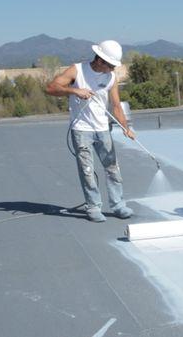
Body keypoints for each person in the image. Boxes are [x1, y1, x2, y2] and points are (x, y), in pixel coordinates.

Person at [46, 40, 135, 222]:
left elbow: (116, 105)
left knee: (112, 168)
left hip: (103, 129)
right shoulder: (77, 70)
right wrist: (74, 91)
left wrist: (126, 128)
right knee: (87, 170)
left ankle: (118, 205)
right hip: (81, 130)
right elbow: (51, 88)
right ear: (101, 60)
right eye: (110, 65)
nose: (112, 69)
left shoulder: (111, 78)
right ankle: (93, 207)